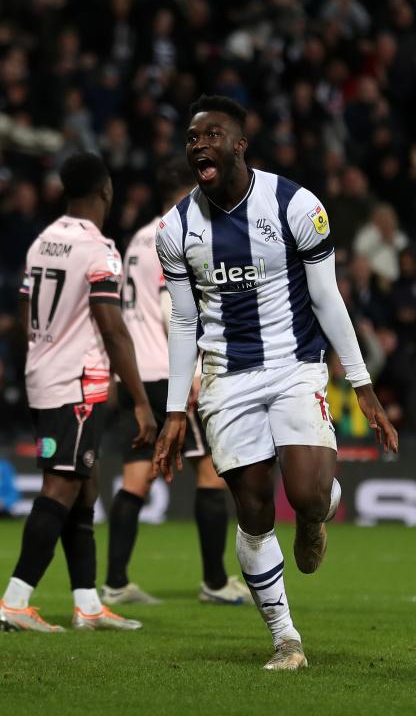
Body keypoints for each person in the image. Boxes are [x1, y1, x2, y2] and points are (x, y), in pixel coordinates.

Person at [153, 95, 399, 669]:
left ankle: (316, 519)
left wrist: (362, 384)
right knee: (255, 511)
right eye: (192, 138)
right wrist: (172, 410)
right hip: (225, 378)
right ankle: (286, 639)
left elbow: (327, 296)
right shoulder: (175, 228)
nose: (199, 146)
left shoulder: (296, 205)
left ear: (240, 145)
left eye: (211, 135)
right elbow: (185, 321)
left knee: (309, 494)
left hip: (295, 365)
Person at [0, 151, 156, 633]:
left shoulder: (43, 241)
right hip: (78, 384)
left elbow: (24, 317)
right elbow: (113, 328)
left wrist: (39, 358)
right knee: (62, 486)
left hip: (43, 377)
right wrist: (142, 399)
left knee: (84, 492)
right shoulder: (99, 250)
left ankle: (86, 604)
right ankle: (16, 601)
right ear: (106, 191)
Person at [102, 157, 252, 607]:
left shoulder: (136, 240)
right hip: (169, 376)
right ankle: (214, 581)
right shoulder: (174, 235)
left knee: (136, 478)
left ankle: (114, 581)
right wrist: (190, 373)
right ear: (189, 193)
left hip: (137, 374)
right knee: (211, 472)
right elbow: (173, 310)